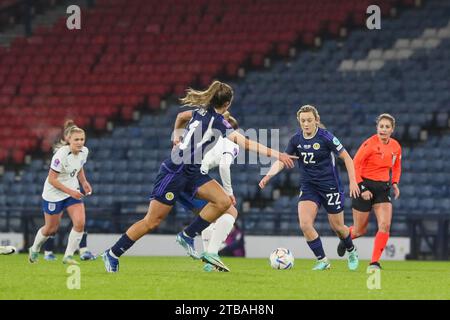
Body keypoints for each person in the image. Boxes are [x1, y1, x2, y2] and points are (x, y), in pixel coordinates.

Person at [102, 80, 296, 273]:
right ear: (228, 104)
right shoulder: (218, 122)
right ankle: (113, 253)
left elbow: (180, 116)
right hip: (175, 171)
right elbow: (246, 143)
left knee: (223, 202)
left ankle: (187, 235)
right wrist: (279, 154)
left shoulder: (201, 111)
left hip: (192, 171)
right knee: (152, 221)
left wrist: (176, 136)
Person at [259, 105, 360, 271]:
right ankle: (323, 260)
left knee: (338, 227)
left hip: (330, 187)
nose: (306, 124)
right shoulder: (296, 140)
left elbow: (348, 159)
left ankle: (351, 250)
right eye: (303, 121)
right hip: (309, 187)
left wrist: (353, 182)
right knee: (305, 224)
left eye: (309, 120)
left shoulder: (326, 137)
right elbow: (282, 160)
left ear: (317, 121)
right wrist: (269, 176)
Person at [337, 113, 401, 271]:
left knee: (385, 225)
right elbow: (354, 164)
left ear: (392, 130)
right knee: (360, 230)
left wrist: (394, 183)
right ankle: (346, 238)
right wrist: (362, 187)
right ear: (377, 128)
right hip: (363, 185)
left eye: (387, 127)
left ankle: (374, 263)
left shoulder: (395, 146)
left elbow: (397, 166)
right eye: (381, 126)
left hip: (382, 188)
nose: (383, 129)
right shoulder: (369, 144)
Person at [177, 111, 240, 272]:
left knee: (208, 215)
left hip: (177, 175)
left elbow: (182, 116)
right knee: (231, 211)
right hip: (194, 177)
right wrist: (229, 192)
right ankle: (211, 254)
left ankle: (209, 261)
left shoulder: (210, 135)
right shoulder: (231, 142)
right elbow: (224, 165)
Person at [28, 120, 92, 265]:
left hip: (72, 192)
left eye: (82, 139)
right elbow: (52, 180)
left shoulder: (84, 151)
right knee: (51, 229)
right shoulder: (60, 155)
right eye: (76, 139)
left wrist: (84, 182)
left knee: (80, 223)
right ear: (69, 140)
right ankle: (35, 248)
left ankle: (68, 256)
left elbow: (79, 167)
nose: (80, 142)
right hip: (53, 194)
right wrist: (71, 191)